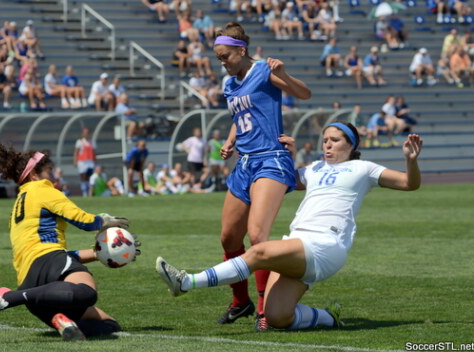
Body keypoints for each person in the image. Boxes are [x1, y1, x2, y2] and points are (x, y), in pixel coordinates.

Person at [157, 123, 423, 332]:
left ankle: (187, 282)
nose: (328, 144)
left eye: (335, 140)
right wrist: (287, 157)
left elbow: (409, 184)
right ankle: (330, 317)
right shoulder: (314, 168)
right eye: (325, 140)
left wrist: (410, 160)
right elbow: (277, 180)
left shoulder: (364, 168)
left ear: (351, 145)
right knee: (278, 317)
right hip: (299, 243)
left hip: (325, 245)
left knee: (258, 252)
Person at [0, 144, 138, 340]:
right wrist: (104, 221)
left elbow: (50, 254)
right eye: (49, 170)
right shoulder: (42, 189)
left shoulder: (19, 203)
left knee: (110, 325)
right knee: (87, 294)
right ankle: (11, 297)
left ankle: (64, 322)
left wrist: (99, 252)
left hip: (31, 284)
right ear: (34, 174)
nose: (54, 174)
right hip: (47, 270)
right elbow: (83, 221)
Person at [212, 22, 311, 330]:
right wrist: (230, 141)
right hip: (245, 163)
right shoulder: (230, 84)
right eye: (219, 58)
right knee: (229, 237)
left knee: (257, 236)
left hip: (271, 160)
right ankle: (241, 303)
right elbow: (241, 116)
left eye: (226, 56)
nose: (223, 62)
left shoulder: (263, 71)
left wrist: (283, 74)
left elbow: (304, 93)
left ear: (242, 51)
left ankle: (266, 310)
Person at [73, 127, 97, 197]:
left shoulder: (92, 142)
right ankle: (84, 191)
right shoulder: (79, 142)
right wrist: (75, 161)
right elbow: (76, 152)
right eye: (85, 133)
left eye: (87, 133)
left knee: (89, 176)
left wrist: (95, 162)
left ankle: (89, 191)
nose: (86, 134)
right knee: (83, 176)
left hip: (90, 161)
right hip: (82, 161)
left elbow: (94, 153)